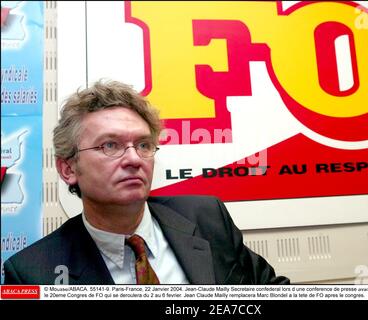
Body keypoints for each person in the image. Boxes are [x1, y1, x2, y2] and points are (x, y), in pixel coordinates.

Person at [3, 80, 289, 285]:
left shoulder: (206, 217)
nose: (133, 159)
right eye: (110, 145)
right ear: (68, 169)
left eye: (143, 144)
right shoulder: (32, 272)